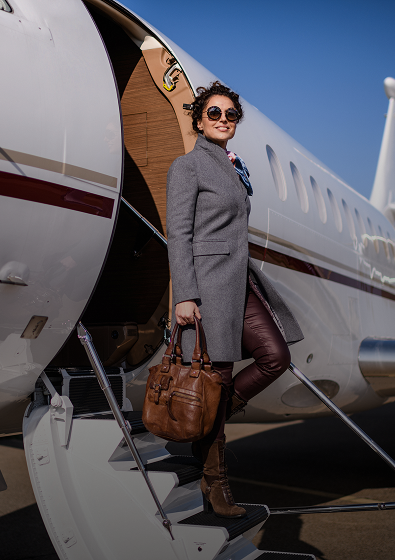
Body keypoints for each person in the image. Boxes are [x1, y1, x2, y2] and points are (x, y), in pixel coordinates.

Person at [166, 81, 304, 518]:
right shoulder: (188, 166)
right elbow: (179, 234)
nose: (223, 120)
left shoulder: (232, 165)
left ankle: (212, 416)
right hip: (208, 287)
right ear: (199, 120)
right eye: (214, 113)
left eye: (230, 115)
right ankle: (215, 482)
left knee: (274, 356)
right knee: (217, 375)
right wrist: (185, 295)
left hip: (239, 283)